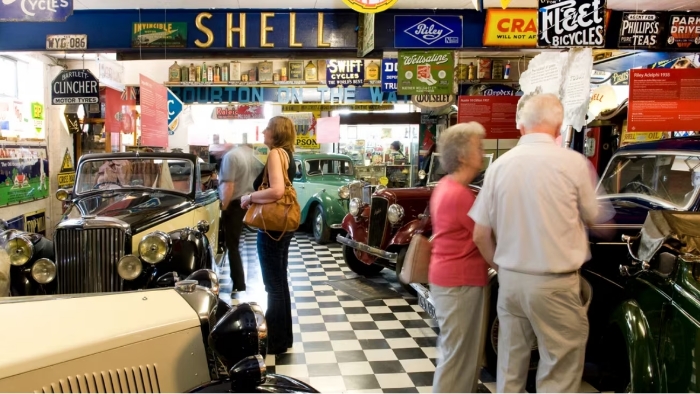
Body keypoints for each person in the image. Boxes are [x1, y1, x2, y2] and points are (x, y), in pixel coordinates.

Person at [469, 93, 602, 393]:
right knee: (559, 365)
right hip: (555, 282)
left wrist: (502, 268)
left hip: (512, 282)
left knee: (510, 363)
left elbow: (480, 234)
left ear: (520, 126)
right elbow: (595, 217)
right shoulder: (572, 163)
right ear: (558, 128)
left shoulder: (500, 166)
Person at [429, 122, 495, 393]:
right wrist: (500, 265)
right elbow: (482, 236)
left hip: (451, 279)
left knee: (460, 353)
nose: (482, 152)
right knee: (458, 357)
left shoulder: (446, 185)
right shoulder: (460, 195)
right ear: (463, 156)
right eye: (478, 147)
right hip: (459, 282)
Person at [240, 116, 296, 355]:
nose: (263, 131)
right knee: (280, 283)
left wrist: (249, 198)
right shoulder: (288, 154)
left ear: (276, 132)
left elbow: (277, 190)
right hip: (284, 226)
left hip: (272, 228)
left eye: (267, 128)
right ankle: (283, 338)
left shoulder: (275, 154)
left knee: (273, 285)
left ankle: (274, 342)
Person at [219, 144, 263, 292]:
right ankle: (254, 279)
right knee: (254, 242)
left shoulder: (230, 157)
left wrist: (223, 208)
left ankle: (239, 284)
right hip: (252, 201)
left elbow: (228, 186)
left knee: (233, 246)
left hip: (235, 204)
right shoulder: (254, 154)